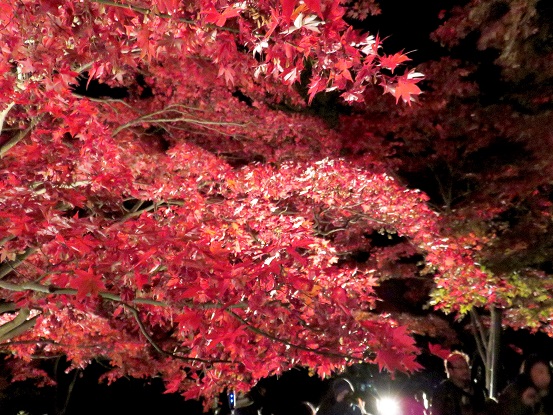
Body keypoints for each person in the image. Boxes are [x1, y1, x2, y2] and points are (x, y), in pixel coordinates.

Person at [431, 351, 487, 415]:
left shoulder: (477, 390)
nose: (465, 370)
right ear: (450, 370)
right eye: (460, 368)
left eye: (467, 367)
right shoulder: (442, 391)